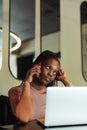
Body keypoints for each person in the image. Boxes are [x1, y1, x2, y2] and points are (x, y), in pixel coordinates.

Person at [8, 50, 71, 124]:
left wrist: (66, 82)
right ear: (37, 66)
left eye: (55, 72)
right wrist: (27, 83)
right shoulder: (15, 91)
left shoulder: (52, 93)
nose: (51, 74)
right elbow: (24, 118)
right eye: (47, 67)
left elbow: (76, 109)